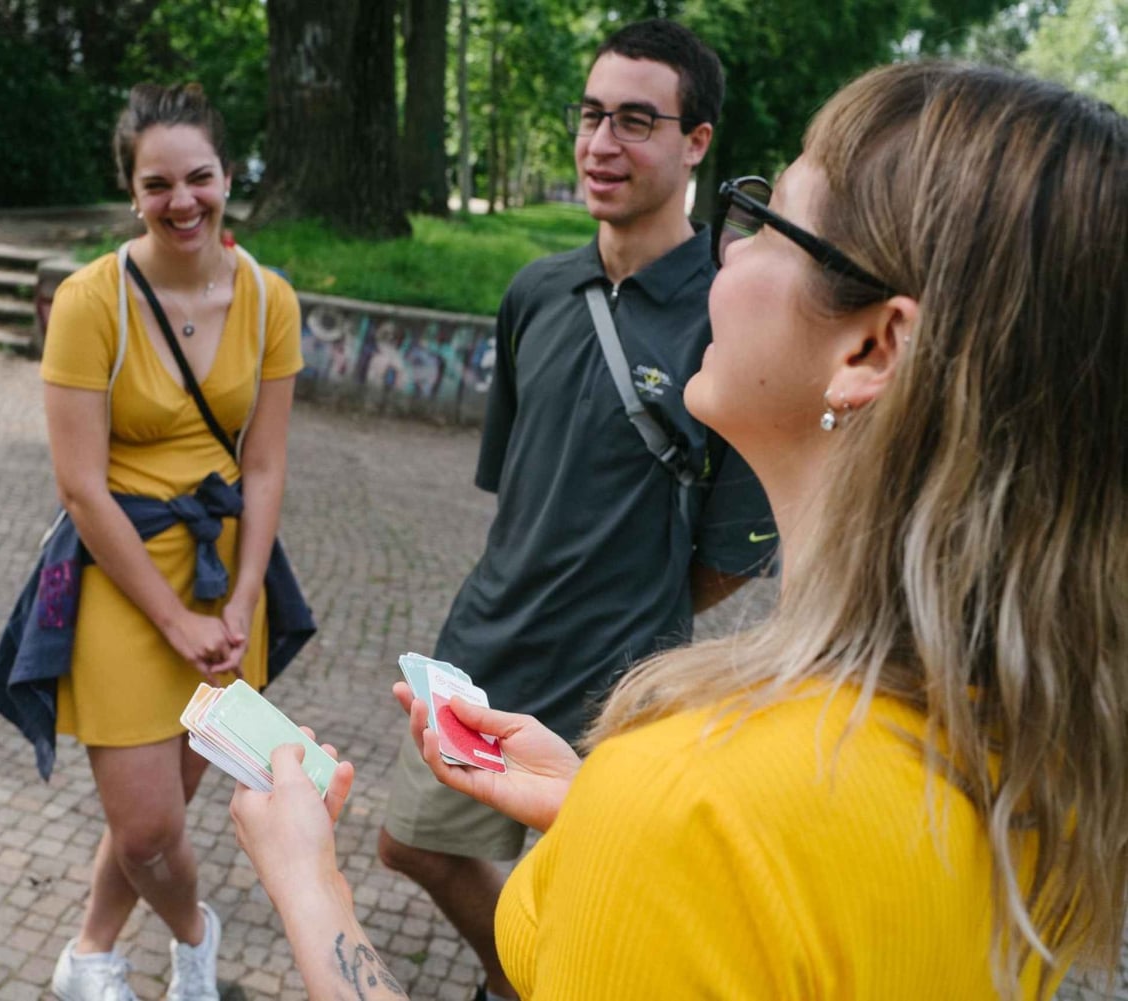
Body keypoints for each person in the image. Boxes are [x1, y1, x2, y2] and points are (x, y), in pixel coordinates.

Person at [231, 61, 1128, 1000]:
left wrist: (309, 882)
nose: (726, 258)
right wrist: (595, 811)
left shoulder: (689, 798)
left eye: (768, 221)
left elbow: (713, 851)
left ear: (872, 347)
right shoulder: (1026, 759)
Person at [375, 20, 775, 1000]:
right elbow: (520, 490)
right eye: (592, 115)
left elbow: (733, 552)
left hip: (619, 692)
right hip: (486, 648)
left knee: (599, 905)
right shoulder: (535, 292)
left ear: (698, 141)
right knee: (410, 842)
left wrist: (637, 597)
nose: (601, 142)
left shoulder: (731, 316)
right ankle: (519, 973)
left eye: (636, 120)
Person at [38, 83, 303, 1001]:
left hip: (225, 578)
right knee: (148, 826)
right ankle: (196, 934)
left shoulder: (270, 299)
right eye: (158, 184)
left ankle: (90, 953)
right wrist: (173, 620)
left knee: (166, 806)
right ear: (132, 192)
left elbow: (264, 464)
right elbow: (80, 485)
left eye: (199, 178)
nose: (182, 201)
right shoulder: (90, 301)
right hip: (123, 577)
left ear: (228, 177)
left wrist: (242, 601)